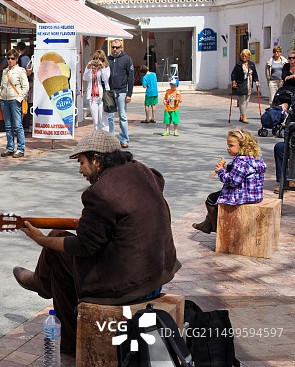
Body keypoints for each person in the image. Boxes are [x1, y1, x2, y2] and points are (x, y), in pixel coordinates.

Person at [11, 130, 180, 353]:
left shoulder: (99, 193)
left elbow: (84, 246)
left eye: (82, 163)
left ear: (97, 160)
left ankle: (67, 337)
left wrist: (40, 239)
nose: (80, 170)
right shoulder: (143, 170)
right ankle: (42, 284)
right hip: (160, 269)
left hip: (129, 283)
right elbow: (154, 184)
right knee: (59, 236)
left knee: (56, 249)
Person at [192, 129, 266, 234]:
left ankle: (215, 226)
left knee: (211, 199)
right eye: (228, 145)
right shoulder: (255, 158)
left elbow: (232, 181)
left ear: (242, 146)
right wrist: (227, 170)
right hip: (255, 195)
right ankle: (207, 224)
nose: (228, 148)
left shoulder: (241, 162)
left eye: (231, 145)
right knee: (218, 197)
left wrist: (221, 171)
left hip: (244, 196)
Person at [0, 49, 28, 158]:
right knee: (8, 126)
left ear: (16, 59)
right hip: (4, 101)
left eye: (12, 58)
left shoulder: (20, 71)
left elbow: (25, 87)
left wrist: (19, 99)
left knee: (18, 126)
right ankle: (10, 147)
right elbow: (2, 86)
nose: (10, 61)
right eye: (8, 58)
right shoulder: (5, 71)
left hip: (14, 101)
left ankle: (20, 148)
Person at [107, 40, 134, 148]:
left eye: (117, 47)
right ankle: (111, 140)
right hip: (109, 92)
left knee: (122, 116)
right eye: (113, 47)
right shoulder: (107, 59)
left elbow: (130, 77)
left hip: (122, 91)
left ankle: (124, 140)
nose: (115, 49)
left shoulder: (127, 59)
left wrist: (129, 94)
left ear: (121, 48)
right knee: (110, 117)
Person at [82, 50, 110, 131]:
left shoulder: (106, 68)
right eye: (96, 58)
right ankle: (97, 138)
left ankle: (105, 138)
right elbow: (85, 78)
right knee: (95, 120)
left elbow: (105, 79)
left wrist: (102, 68)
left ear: (103, 59)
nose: (97, 60)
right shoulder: (91, 69)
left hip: (102, 96)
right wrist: (88, 66)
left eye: (100, 58)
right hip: (92, 97)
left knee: (103, 120)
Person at [231, 49, 259, 124]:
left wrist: (256, 82)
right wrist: (234, 83)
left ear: (249, 56)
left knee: (246, 101)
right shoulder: (239, 64)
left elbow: (255, 74)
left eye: (246, 56)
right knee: (242, 101)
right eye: (243, 56)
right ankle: (244, 116)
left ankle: (241, 115)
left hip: (249, 85)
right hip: (240, 84)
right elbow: (233, 74)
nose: (244, 57)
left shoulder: (251, 64)